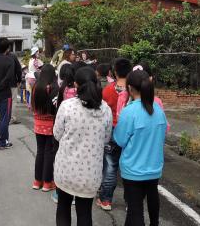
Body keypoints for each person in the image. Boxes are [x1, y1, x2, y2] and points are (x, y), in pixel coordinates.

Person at [53, 67, 113, 226]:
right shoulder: (105, 110)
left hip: (66, 171)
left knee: (63, 207)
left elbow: (57, 134)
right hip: (90, 175)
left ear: (75, 84)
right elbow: (106, 139)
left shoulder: (67, 106)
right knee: (85, 213)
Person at [114, 69, 168, 226]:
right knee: (152, 198)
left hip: (133, 170)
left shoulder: (129, 112)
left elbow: (120, 140)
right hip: (154, 167)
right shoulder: (158, 110)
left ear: (130, 88)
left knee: (135, 210)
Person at [97, 58, 133, 211]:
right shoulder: (133, 90)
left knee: (110, 166)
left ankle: (105, 200)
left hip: (111, 130)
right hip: (130, 131)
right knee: (129, 167)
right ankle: (131, 202)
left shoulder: (107, 90)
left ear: (114, 72)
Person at [30, 63, 59, 192]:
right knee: (49, 153)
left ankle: (37, 181)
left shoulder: (36, 86)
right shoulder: (54, 87)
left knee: (40, 151)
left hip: (38, 124)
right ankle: (47, 182)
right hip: (50, 124)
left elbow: (31, 105)